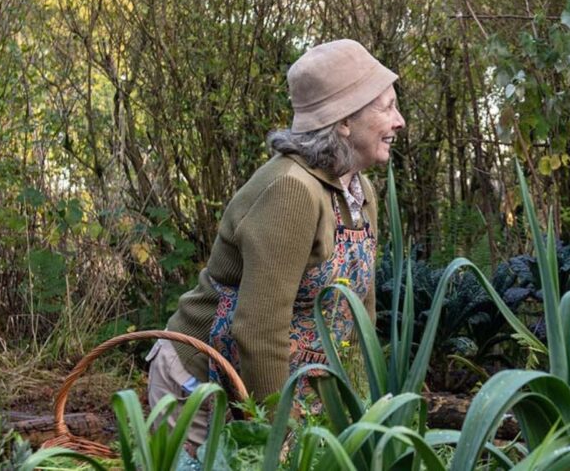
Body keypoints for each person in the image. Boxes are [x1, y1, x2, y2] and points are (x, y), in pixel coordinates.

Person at [146, 38, 405, 449]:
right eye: (386, 107)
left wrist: (355, 405)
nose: (399, 121)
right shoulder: (291, 190)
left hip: (279, 389)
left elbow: (359, 313)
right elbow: (259, 328)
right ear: (343, 122)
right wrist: (278, 436)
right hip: (204, 385)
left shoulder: (360, 190)